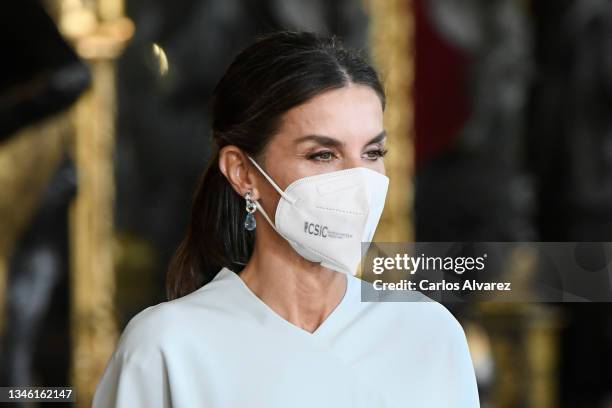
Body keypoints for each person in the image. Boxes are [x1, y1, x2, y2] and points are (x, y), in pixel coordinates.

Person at [92, 30, 480, 407]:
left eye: (372, 153)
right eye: (323, 155)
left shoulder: (428, 333)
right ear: (243, 172)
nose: (357, 180)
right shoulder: (167, 346)